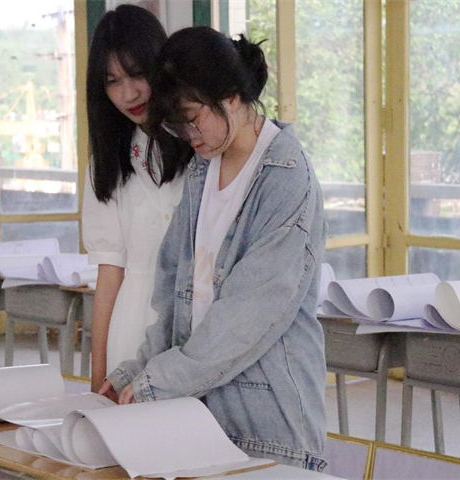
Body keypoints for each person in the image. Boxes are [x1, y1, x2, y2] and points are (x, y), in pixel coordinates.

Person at [100, 27, 329, 470]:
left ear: (231, 97)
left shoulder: (286, 178)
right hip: (199, 413)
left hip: (267, 422)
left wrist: (157, 382)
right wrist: (135, 369)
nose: (188, 135)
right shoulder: (203, 170)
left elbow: (247, 317)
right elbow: (173, 298)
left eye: (192, 117)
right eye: (176, 124)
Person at [82, 5, 192, 392]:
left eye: (137, 74)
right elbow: (109, 273)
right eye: (112, 81)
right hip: (132, 325)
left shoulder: (202, 143)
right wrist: (98, 380)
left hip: (195, 321)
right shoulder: (106, 164)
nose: (128, 94)